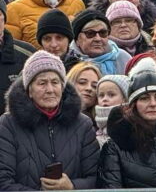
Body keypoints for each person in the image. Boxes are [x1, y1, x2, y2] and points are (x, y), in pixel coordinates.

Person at [0, 50, 100, 189]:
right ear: (29, 90)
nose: (50, 89)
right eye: (42, 83)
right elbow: (3, 182)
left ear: (63, 87)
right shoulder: (8, 124)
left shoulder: (83, 125)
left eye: (55, 82)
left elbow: (96, 178)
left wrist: (72, 187)